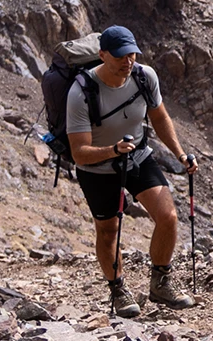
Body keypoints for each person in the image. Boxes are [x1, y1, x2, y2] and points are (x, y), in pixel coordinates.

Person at [66, 25, 200, 318]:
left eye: (132, 54)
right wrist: (112, 150)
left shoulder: (144, 76)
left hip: (137, 155)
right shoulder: (81, 92)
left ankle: (161, 283)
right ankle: (118, 290)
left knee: (168, 216)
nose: (127, 61)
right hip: (97, 168)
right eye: (119, 56)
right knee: (108, 230)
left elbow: (160, 118)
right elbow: (79, 152)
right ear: (103, 55)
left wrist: (180, 155)